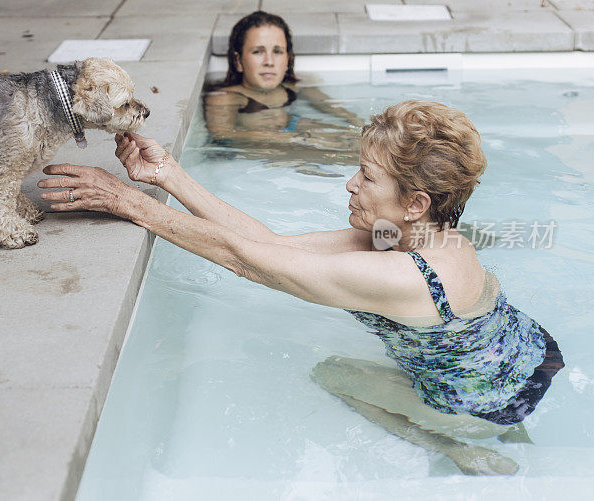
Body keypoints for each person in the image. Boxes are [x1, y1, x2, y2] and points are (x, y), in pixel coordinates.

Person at [37, 100, 564, 476]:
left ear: (415, 202)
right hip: (529, 358)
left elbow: (248, 260)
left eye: (367, 176)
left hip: (481, 407)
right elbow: (273, 243)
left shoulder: (405, 276)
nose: (351, 184)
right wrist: (168, 175)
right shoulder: (412, 237)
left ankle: (453, 446)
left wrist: (129, 203)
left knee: (331, 372)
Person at [205, 11, 363, 161]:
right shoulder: (227, 98)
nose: (269, 61)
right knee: (343, 158)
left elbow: (333, 108)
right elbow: (222, 134)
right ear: (238, 61)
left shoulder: (293, 88)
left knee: (357, 142)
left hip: (292, 130)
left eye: (278, 51)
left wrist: (356, 122)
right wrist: (285, 138)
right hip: (261, 148)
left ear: (288, 58)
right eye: (258, 52)